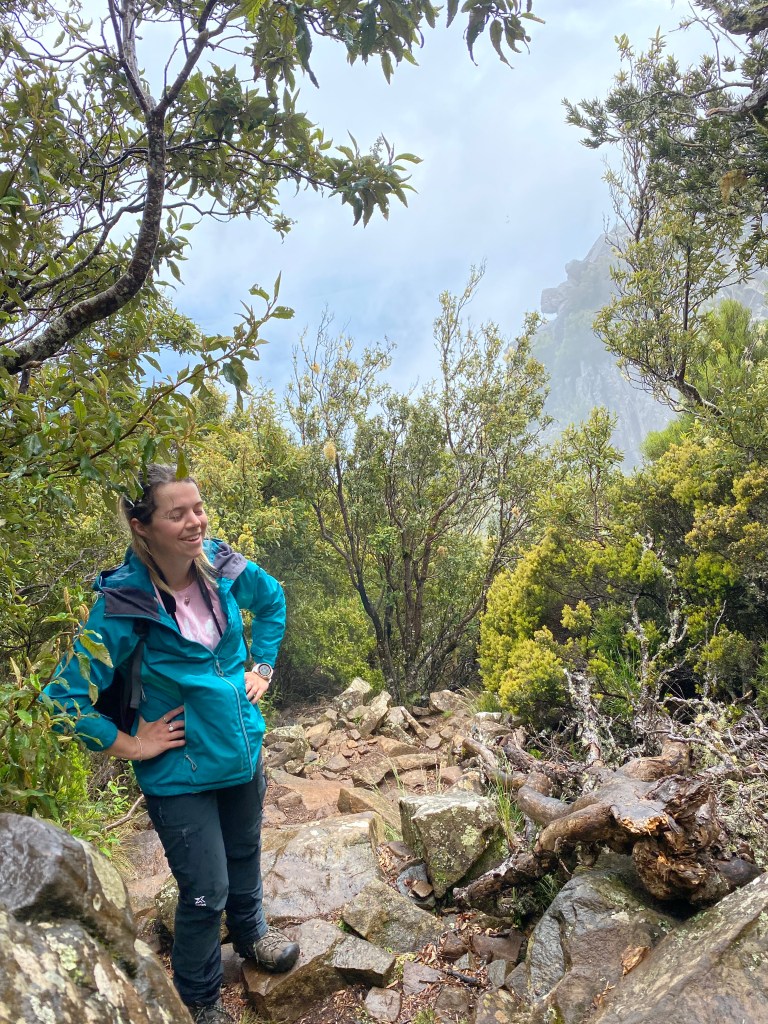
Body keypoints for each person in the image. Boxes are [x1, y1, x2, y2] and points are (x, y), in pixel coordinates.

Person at [45, 464, 299, 1024]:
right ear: (143, 527)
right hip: (178, 772)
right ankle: (200, 999)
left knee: (245, 854)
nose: (195, 522)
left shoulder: (224, 569)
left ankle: (252, 934)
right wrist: (133, 745)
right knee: (206, 889)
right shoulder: (121, 606)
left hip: (240, 750)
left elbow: (273, 600)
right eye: (177, 513)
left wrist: (262, 665)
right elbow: (62, 700)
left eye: (198, 508)